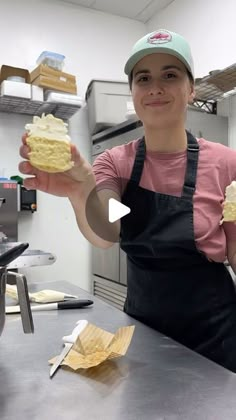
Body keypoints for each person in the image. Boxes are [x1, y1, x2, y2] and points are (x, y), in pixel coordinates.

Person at [19, 29, 236, 373]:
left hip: (215, 332)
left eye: (170, 75)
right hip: (144, 328)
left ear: (191, 88)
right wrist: (81, 189)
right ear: (133, 92)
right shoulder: (115, 163)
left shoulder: (227, 164)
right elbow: (108, 229)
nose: (155, 87)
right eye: (143, 78)